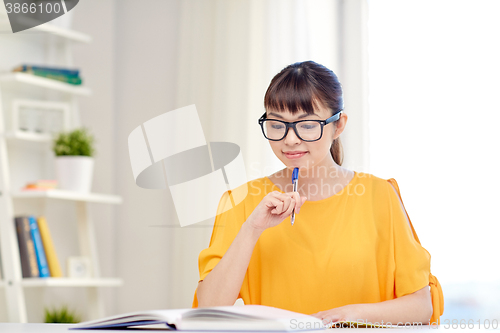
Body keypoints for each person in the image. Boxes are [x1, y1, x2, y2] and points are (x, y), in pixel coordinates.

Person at [192, 61, 443, 326]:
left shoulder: (380, 196)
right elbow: (207, 310)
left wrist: (350, 315)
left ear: (338, 125)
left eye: (307, 125)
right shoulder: (242, 202)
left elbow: (420, 305)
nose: (290, 140)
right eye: (277, 125)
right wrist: (252, 229)